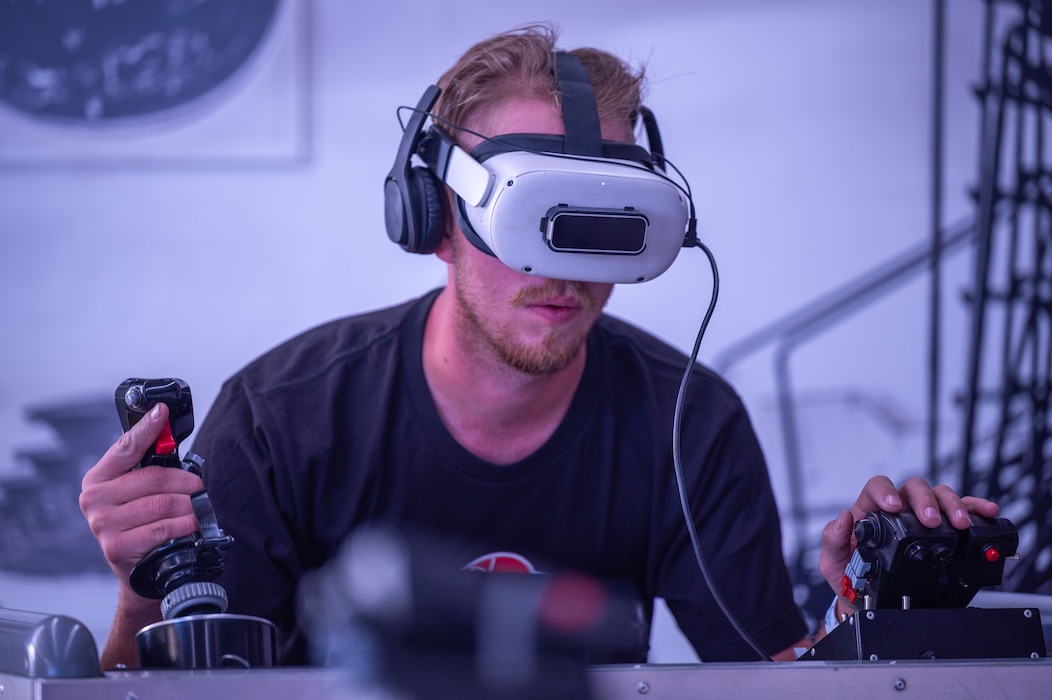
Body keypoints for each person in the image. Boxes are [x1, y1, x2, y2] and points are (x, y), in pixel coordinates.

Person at [79, 24, 999, 669]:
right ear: (432, 221)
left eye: (598, 226)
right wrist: (140, 594)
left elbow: (768, 676)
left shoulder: (690, 423)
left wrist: (873, 614)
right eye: (527, 219)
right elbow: (180, 693)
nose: (559, 273)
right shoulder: (285, 420)